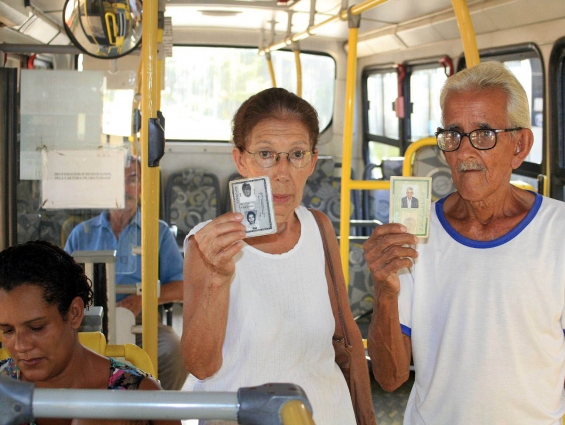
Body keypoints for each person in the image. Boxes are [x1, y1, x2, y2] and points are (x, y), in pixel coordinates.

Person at [365, 61, 565, 425]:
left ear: (519, 145)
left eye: (484, 134)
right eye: (453, 135)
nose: (464, 152)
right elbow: (390, 377)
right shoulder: (413, 237)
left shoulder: (562, 230)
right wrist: (385, 290)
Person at [181, 87, 375, 425]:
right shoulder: (206, 245)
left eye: (296, 154)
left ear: (312, 162)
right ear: (240, 160)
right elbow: (200, 365)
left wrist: (366, 417)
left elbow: (348, 340)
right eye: (266, 154)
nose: (282, 173)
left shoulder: (319, 227)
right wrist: (218, 278)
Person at [0, 240, 179, 425]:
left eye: (37, 328)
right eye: (7, 330)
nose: (21, 345)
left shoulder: (142, 400)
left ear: (74, 313)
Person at [64, 156, 188, 391]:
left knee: (174, 350)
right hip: (87, 322)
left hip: (139, 321)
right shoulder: (82, 233)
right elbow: (59, 285)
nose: (125, 188)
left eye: (132, 179)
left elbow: (182, 286)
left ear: (142, 185)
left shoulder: (157, 231)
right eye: (116, 180)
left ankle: (153, 412)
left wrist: (145, 299)